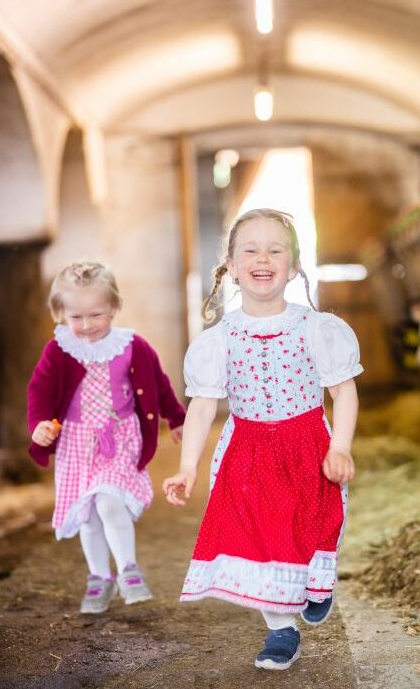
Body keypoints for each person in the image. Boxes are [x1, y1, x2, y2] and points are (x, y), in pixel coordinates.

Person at [163, 209, 362, 670]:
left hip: (307, 442)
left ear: (293, 266)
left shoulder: (315, 328)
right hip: (248, 450)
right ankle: (280, 630)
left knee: (314, 522)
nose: (263, 257)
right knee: (261, 538)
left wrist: (341, 446)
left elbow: (343, 391)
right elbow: (202, 405)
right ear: (231, 265)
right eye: (249, 249)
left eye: (276, 249)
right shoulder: (220, 338)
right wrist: (188, 466)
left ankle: (317, 579)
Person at [27, 261, 185, 614]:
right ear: (60, 314)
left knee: (108, 501)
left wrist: (176, 416)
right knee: (88, 514)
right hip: (77, 445)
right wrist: (39, 423)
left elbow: (158, 384)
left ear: (114, 307)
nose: (86, 326)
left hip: (120, 439)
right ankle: (100, 577)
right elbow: (39, 390)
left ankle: (129, 569)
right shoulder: (59, 350)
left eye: (96, 315)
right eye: (76, 317)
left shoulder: (131, 345)